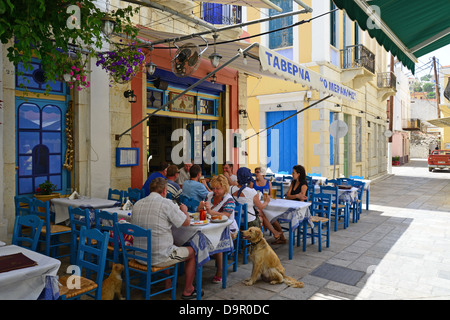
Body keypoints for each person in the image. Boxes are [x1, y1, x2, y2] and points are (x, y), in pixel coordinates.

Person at [131, 177, 199, 299]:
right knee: (193, 251)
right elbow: (186, 222)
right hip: (158, 257)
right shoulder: (166, 203)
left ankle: (168, 283)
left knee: (163, 243)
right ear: (164, 191)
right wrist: (185, 211)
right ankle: (188, 289)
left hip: (139, 255)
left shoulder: (137, 204)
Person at [197, 174, 236, 284]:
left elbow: (225, 216)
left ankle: (220, 271)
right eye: (213, 188)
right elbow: (200, 211)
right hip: (210, 226)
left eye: (218, 188)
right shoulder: (209, 195)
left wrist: (210, 212)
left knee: (217, 240)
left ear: (224, 188)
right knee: (196, 237)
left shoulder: (229, 200)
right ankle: (196, 266)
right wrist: (199, 208)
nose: (215, 191)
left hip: (228, 229)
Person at [230, 167, 282, 240]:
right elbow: (261, 207)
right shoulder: (251, 191)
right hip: (249, 222)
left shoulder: (230, 189)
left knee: (261, 215)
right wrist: (266, 201)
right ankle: (259, 241)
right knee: (261, 216)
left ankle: (273, 233)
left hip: (235, 220)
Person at [252, 167, 286, 244]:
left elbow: (271, 194)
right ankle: (278, 237)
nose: (256, 174)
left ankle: (280, 237)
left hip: (265, 204)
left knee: (271, 218)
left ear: (263, 174)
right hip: (257, 205)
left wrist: (267, 197)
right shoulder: (253, 183)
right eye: (255, 172)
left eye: (257, 172)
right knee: (270, 218)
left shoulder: (268, 182)